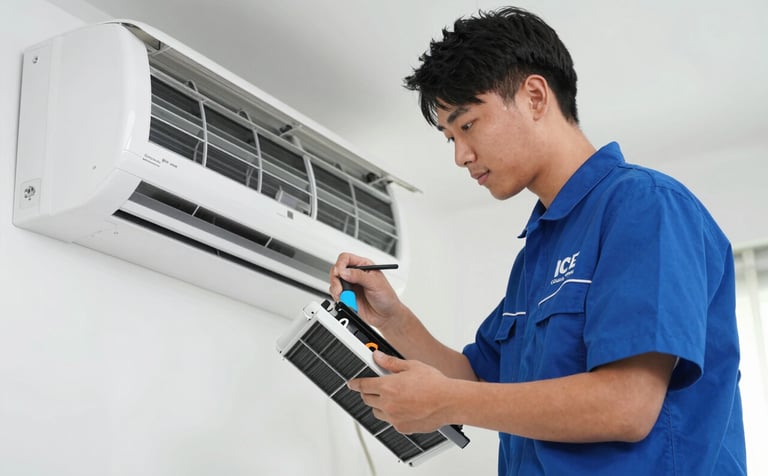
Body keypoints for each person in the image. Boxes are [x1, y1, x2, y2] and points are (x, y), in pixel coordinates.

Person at [329, 6, 746, 475]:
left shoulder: (645, 207)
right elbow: (477, 379)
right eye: (449, 138)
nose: (461, 156)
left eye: (467, 125)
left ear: (533, 96)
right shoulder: (537, 254)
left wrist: (449, 402)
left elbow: (627, 405)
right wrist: (395, 319)